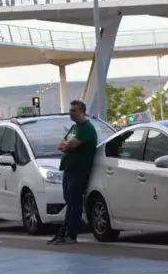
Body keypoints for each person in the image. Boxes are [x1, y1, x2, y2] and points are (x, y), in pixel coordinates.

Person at [49, 100, 98, 245]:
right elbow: (62, 144)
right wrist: (66, 145)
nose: (71, 113)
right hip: (68, 170)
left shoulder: (86, 129)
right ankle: (64, 232)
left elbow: (70, 145)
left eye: (74, 111)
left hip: (79, 171)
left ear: (82, 112)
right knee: (69, 202)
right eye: (70, 110)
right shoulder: (74, 128)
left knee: (75, 203)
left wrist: (67, 145)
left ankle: (72, 234)